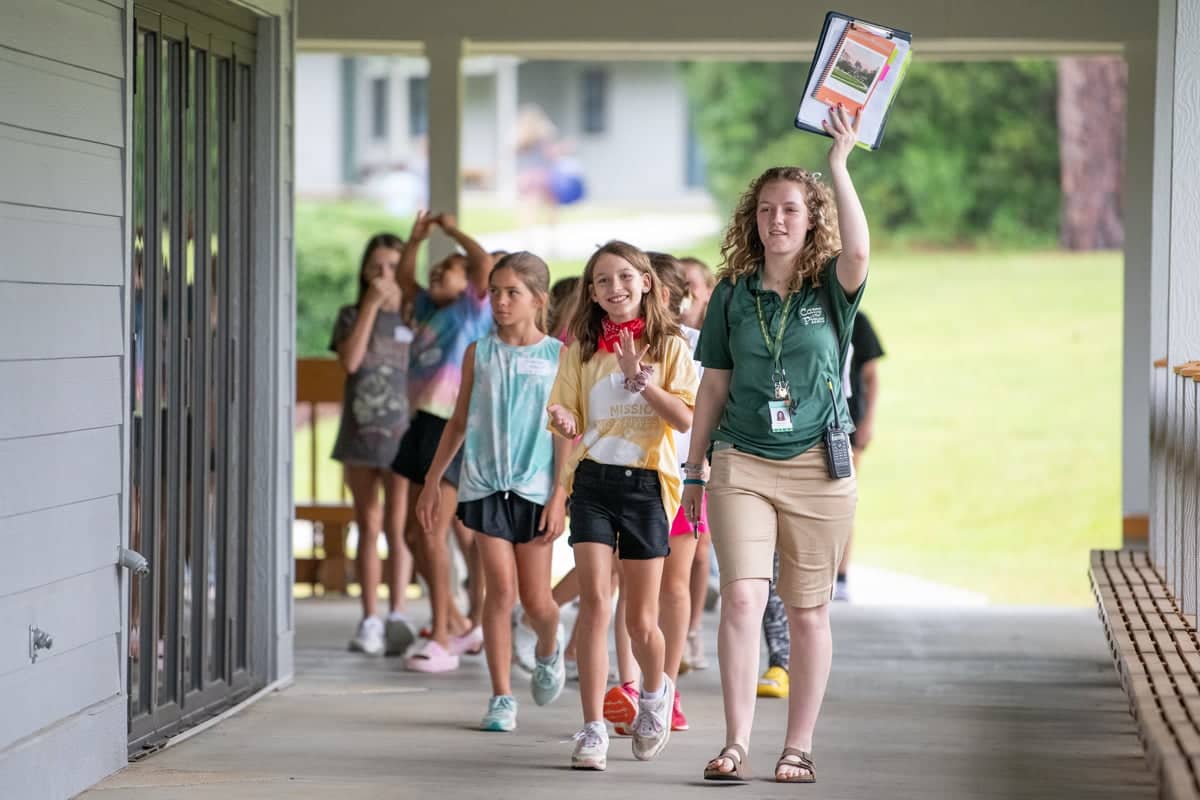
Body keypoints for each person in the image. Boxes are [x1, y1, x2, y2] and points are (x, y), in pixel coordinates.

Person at [684, 104, 869, 784]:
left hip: (820, 465)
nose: (778, 221)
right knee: (741, 597)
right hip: (741, 460)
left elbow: (859, 252)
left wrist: (838, 167)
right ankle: (735, 741)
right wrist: (695, 467)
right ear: (752, 220)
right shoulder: (731, 293)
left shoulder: (832, 287)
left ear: (810, 217)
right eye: (766, 210)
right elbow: (711, 387)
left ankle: (799, 745)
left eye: (791, 209)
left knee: (808, 608)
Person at [547, 240, 699, 771]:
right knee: (594, 603)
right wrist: (564, 420)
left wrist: (643, 382)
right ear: (592, 293)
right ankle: (591, 729)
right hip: (591, 482)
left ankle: (654, 698)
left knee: (642, 620)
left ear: (646, 282)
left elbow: (684, 419)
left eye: (625, 277)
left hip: (648, 489)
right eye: (603, 281)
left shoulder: (672, 346)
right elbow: (562, 405)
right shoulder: (582, 348)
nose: (615, 288)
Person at [415, 251, 570, 731]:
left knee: (538, 600)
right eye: (496, 291)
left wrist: (559, 494)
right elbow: (458, 420)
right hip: (482, 484)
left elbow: (567, 430)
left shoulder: (558, 356)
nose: (500, 302)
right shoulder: (478, 352)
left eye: (512, 293)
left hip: (535, 488)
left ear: (537, 300)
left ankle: (548, 643)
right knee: (498, 590)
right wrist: (431, 479)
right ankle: (502, 696)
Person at [603, 252, 703, 736]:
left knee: (675, 586)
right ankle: (629, 684)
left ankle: (666, 685)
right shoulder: (617, 344)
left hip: (684, 480)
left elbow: (701, 416)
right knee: (631, 584)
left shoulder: (695, 347)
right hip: (634, 478)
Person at [391, 211, 494, 673]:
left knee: (432, 527)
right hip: (421, 423)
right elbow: (403, 278)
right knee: (414, 531)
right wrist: (416, 240)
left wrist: (450, 231)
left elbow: (482, 263)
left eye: (444, 270)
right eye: (432, 271)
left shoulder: (472, 308)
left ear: (466, 282)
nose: (434, 275)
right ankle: (453, 619)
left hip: (451, 425)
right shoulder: (429, 308)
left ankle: (446, 635)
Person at [329, 233, 417, 657]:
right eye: (376, 266)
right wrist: (369, 306)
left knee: (398, 528)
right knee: (368, 524)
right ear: (365, 271)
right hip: (360, 435)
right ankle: (369, 619)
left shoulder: (415, 315)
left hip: (403, 438)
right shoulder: (349, 314)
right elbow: (350, 361)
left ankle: (398, 613)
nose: (384, 275)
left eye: (392, 267)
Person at [838, 310, 885, 600]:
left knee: (844, 498)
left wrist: (868, 422)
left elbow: (871, 376)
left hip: (849, 423)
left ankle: (841, 574)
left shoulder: (858, 321)